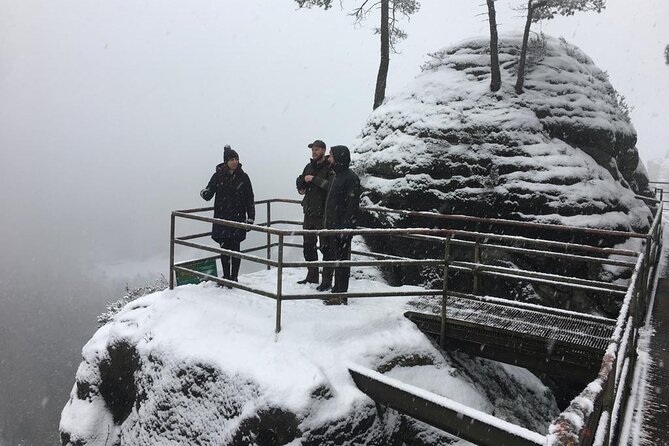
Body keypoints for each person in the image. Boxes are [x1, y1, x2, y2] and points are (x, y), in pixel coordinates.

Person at [200, 145, 255, 284]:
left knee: (236, 248)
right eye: (231, 159)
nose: (234, 162)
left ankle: (234, 277)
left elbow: (250, 198)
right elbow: (209, 193)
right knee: (224, 248)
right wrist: (204, 193)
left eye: (236, 159)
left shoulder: (243, 177)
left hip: (238, 217)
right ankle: (226, 276)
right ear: (226, 161)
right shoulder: (218, 176)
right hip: (222, 217)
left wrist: (250, 218)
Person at [321, 145, 361, 299]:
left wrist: (346, 228)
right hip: (332, 227)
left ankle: (340, 294)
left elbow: (352, 206)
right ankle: (336, 291)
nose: (328, 158)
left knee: (342, 262)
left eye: (330, 156)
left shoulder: (350, 178)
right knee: (336, 260)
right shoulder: (336, 176)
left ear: (338, 158)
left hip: (342, 228)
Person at [295, 139, 332, 285]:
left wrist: (314, 179)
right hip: (309, 212)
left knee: (326, 248)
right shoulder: (308, 166)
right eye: (312, 150)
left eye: (317, 149)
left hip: (324, 214)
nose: (314, 152)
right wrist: (301, 186)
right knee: (308, 247)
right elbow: (303, 187)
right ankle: (312, 276)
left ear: (323, 150)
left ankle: (327, 280)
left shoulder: (330, 167)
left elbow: (330, 186)